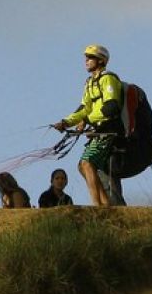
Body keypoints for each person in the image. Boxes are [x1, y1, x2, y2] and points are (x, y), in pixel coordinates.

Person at [52, 44, 123, 207]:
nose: (86, 61)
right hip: (97, 130)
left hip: (108, 130)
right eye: (86, 57)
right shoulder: (90, 82)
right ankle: (106, 205)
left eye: (90, 57)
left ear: (101, 60)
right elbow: (85, 109)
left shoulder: (108, 79)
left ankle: (97, 205)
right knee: (82, 166)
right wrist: (66, 122)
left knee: (86, 163)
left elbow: (112, 106)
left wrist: (88, 120)